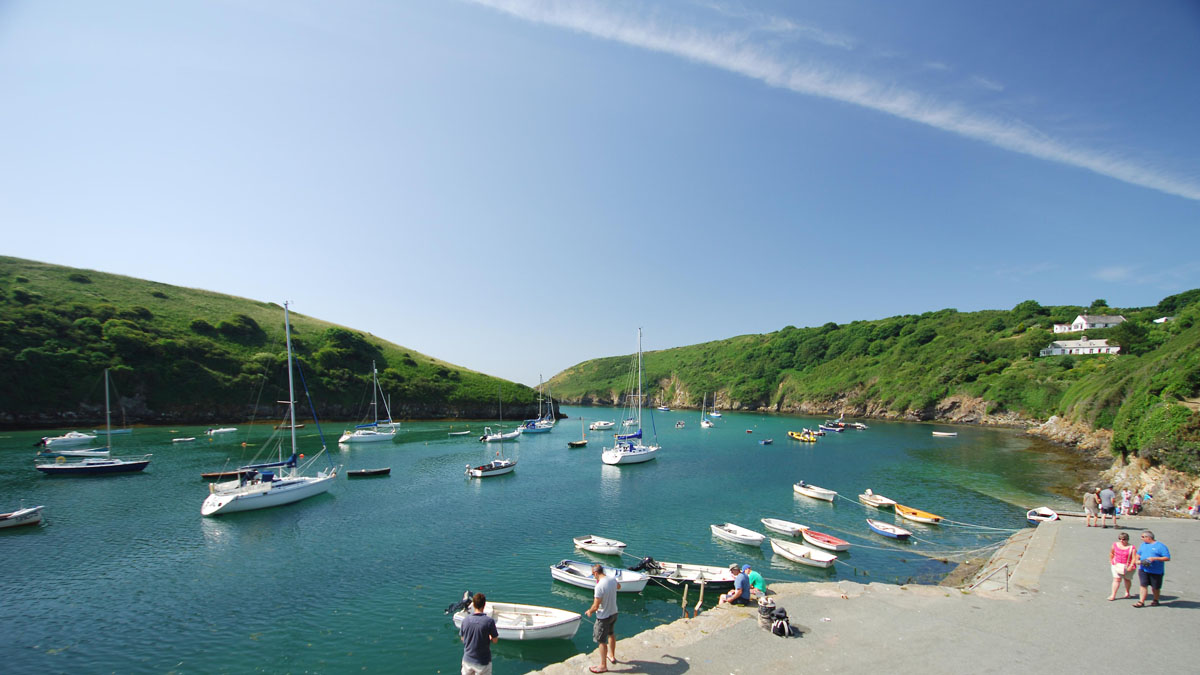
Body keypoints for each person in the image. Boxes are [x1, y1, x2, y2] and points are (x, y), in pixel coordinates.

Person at [585, 563, 620, 673]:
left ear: (596, 573)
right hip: (614, 612)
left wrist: (589, 611)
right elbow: (619, 586)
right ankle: (612, 656)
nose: (593, 576)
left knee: (601, 641)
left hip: (603, 617)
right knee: (611, 634)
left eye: (592, 574)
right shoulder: (612, 579)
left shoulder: (599, 586)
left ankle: (603, 665)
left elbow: (596, 606)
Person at [459, 593, 498, 675]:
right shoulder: (489, 621)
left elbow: (462, 639)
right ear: (484, 605)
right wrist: (489, 638)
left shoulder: (465, 620)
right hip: (483, 662)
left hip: (467, 660)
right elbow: (495, 640)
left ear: (473, 605)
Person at [1133, 530, 1171, 607]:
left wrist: (1154, 558)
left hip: (1156, 571)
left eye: (1143, 537)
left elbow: (1167, 558)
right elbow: (1138, 554)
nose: (1141, 538)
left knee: (1155, 587)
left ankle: (1156, 600)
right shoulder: (1143, 545)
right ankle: (1141, 602)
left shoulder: (1160, 546)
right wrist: (1137, 560)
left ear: (1149, 537)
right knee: (1143, 585)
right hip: (1143, 569)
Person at [1107, 532, 1136, 601]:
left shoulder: (1132, 547)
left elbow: (1134, 558)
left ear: (1127, 540)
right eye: (1120, 539)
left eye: (1123, 539)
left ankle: (1127, 592)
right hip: (1117, 564)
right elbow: (1111, 553)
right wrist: (1111, 560)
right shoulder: (1115, 545)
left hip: (1127, 566)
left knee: (1127, 579)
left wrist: (1131, 565)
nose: (1121, 541)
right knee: (1116, 579)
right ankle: (1113, 595)